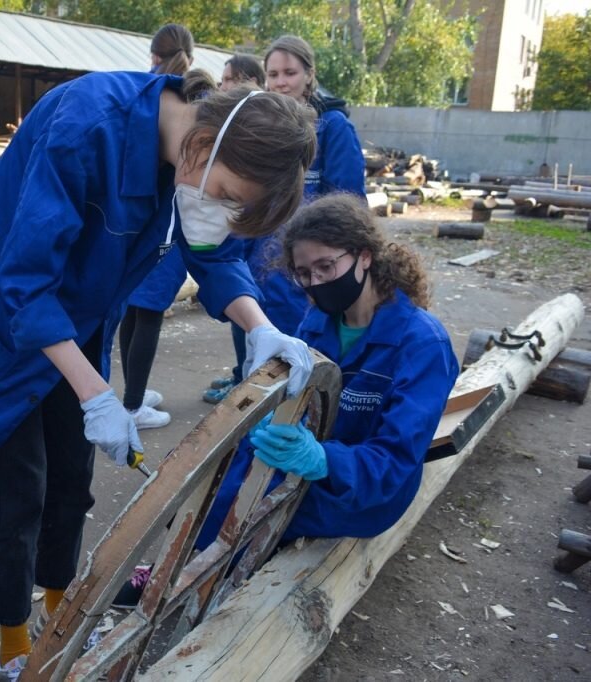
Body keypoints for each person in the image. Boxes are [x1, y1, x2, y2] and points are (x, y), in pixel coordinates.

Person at [0, 66, 318, 679]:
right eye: (224, 194)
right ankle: (12, 645)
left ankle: (62, 616)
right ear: (209, 140)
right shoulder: (89, 126)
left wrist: (260, 326)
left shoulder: (190, 157)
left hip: (79, 325)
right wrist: (96, 393)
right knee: (19, 494)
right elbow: (26, 282)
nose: (218, 210)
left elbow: (210, 249)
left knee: (72, 480)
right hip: (4, 329)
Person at [115, 193, 459, 608]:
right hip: (298, 457)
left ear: (364, 257)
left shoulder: (422, 344)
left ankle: (182, 578)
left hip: (360, 488)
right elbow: (293, 397)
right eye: (304, 274)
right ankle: (187, 563)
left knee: (241, 505)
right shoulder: (318, 319)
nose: (315, 284)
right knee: (196, 477)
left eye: (326, 267)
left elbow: (395, 463)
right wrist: (265, 417)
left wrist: (325, 461)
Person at [203, 34, 366, 404]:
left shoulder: (333, 127)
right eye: (273, 74)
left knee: (303, 358)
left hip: (305, 268)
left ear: (310, 75)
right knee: (253, 349)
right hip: (256, 260)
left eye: (289, 73)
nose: (280, 82)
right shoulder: (261, 126)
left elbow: (348, 204)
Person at [114, 22, 196, 430]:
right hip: (164, 222)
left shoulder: (142, 91)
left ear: (153, 55)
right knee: (148, 314)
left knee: (134, 310)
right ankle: (132, 405)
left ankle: (133, 392)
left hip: (135, 223)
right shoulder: (186, 95)